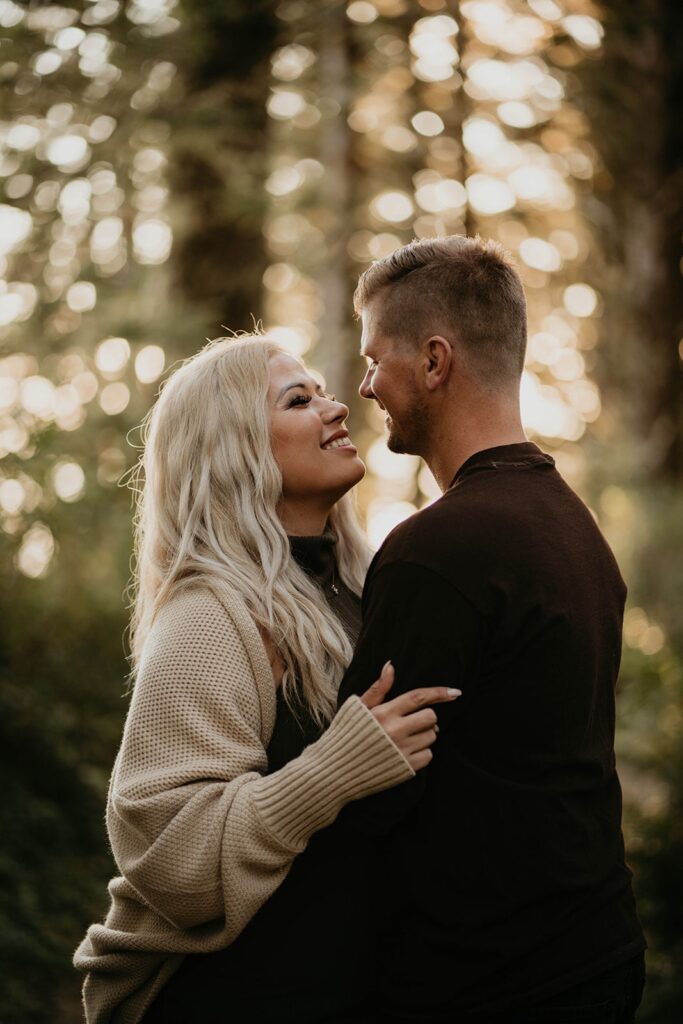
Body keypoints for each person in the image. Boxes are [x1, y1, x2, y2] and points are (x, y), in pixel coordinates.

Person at [74, 336, 460, 1024]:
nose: (338, 407)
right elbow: (167, 862)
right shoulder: (207, 617)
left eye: (323, 391)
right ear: (234, 447)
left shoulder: (360, 587)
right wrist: (327, 775)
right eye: (299, 399)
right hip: (227, 997)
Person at [337, 234, 646, 1024]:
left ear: (435, 361)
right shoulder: (574, 528)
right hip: (594, 952)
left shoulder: (437, 552)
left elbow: (360, 797)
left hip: (484, 983)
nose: (364, 386)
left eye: (376, 359)